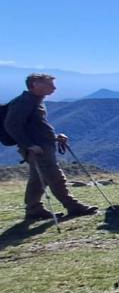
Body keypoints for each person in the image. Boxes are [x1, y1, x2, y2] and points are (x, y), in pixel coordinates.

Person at [3, 73, 98, 221]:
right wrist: (29, 145)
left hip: (42, 145)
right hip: (37, 149)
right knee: (55, 177)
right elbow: (11, 125)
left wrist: (55, 137)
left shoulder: (35, 100)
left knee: (38, 179)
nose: (54, 88)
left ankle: (34, 209)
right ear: (35, 84)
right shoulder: (24, 102)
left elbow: (36, 126)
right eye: (49, 84)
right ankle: (74, 207)